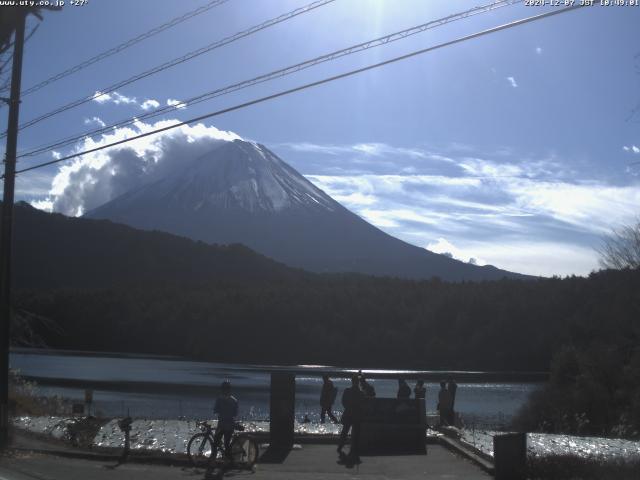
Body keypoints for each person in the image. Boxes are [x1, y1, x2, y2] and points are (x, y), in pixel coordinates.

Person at [337, 374, 363, 459]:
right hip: (356, 414)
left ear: (352, 381)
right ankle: (354, 447)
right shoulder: (360, 393)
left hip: (348, 413)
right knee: (355, 432)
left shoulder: (347, 391)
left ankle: (340, 446)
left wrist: (348, 407)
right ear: (358, 382)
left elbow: (343, 401)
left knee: (345, 431)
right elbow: (361, 404)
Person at [212, 380, 238, 460]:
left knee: (215, 443)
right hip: (230, 424)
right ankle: (228, 460)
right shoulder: (234, 400)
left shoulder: (219, 399)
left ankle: (213, 459)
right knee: (227, 443)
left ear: (222, 389)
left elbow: (215, 410)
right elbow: (235, 414)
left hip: (222, 424)